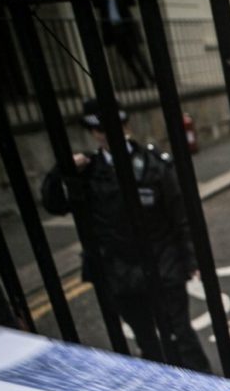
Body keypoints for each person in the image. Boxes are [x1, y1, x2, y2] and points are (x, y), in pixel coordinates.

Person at [40, 99, 211, 373]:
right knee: (145, 338)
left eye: (114, 126)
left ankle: (204, 389)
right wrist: (61, 170)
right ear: (94, 132)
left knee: (179, 334)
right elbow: (54, 204)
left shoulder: (154, 165)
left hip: (162, 265)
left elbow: (180, 217)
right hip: (117, 272)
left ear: (125, 125)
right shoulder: (88, 171)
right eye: (100, 129)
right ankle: (164, 387)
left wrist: (191, 260)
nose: (107, 134)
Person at [94, 0, 154, 89]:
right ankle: (140, 80)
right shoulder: (104, 0)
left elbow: (132, 2)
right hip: (114, 31)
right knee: (127, 59)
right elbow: (95, 4)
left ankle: (151, 79)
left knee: (138, 56)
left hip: (127, 30)